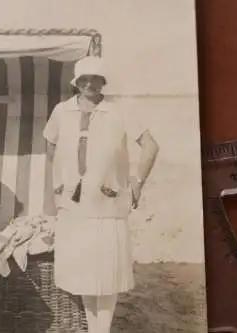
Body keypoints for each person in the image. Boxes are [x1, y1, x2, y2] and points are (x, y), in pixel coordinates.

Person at [43, 56, 159, 333]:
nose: (89, 84)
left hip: (107, 206)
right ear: (76, 82)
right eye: (84, 79)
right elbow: (50, 146)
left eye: (96, 79)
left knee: (106, 272)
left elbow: (151, 147)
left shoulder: (119, 111)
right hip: (74, 207)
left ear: (103, 82)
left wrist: (136, 182)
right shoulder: (62, 111)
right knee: (83, 270)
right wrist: (63, 180)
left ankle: (102, 329)